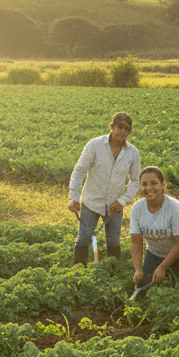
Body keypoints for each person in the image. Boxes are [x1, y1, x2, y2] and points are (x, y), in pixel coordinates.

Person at [67, 112, 140, 264]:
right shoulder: (95, 145)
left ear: (129, 132)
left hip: (115, 206)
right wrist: (74, 197)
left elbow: (136, 181)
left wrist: (122, 201)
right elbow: (79, 171)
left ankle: (112, 276)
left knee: (113, 241)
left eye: (126, 129)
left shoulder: (133, 153)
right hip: (91, 202)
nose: (122, 131)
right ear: (112, 127)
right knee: (83, 239)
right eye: (119, 127)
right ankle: (78, 274)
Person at [129, 166, 179, 287]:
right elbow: (135, 241)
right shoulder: (137, 208)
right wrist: (138, 269)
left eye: (154, 183)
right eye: (144, 184)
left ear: (162, 185)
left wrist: (162, 267)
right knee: (144, 287)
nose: (148, 188)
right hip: (155, 254)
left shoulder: (175, 208)